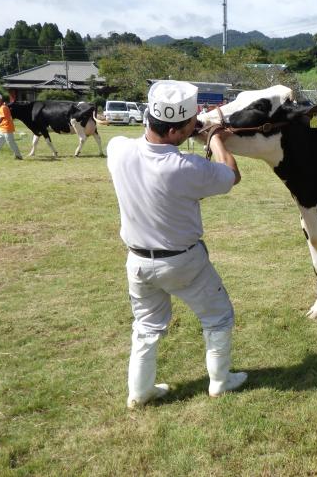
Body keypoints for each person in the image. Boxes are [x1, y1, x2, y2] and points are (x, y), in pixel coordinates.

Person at [107, 80, 246, 408]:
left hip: (138, 260)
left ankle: (140, 393)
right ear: (173, 132)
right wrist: (214, 137)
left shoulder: (117, 149)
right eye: (187, 126)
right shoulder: (188, 167)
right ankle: (220, 381)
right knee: (218, 317)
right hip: (182, 261)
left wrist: (188, 130)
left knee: (145, 327)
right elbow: (231, 175)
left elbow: (145, 141)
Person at [0, 93, 23, 160]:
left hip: (7, 128)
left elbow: (1, 119)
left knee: (11, 143)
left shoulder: (3, 107)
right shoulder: (1, 107)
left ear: (0, 99)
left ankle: (18, 156)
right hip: (2, 128)